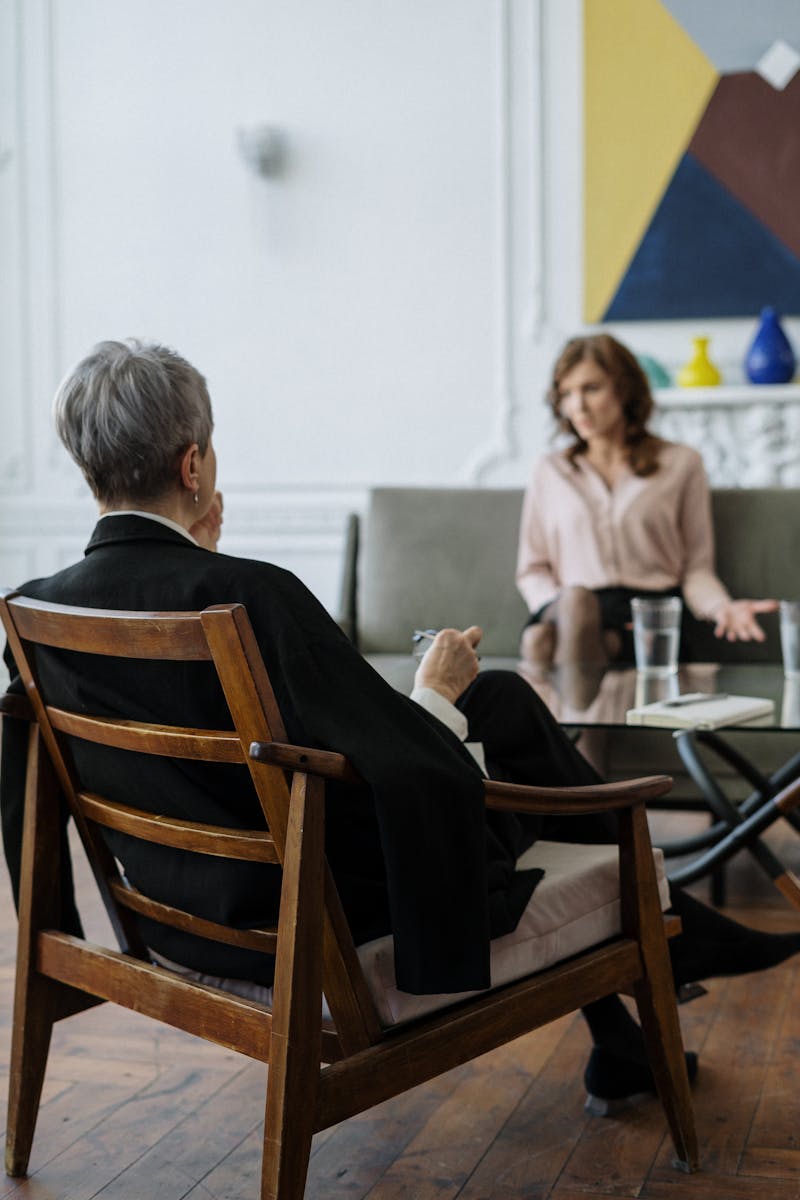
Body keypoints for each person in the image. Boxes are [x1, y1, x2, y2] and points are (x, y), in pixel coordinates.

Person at [2, 339, 798, 1115]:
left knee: (507, 703)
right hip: (319, 906)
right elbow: (402, 767)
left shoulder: (37, 611)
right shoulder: (248, 596)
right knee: (490, 713)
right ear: (193, 464)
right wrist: (437, 690)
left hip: (176, 908)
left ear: (87, 467)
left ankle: (630, 1025)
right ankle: (666, 916)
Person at [517, 333, 778, 668]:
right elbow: (532, 570)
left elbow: (697, 569)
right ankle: (576, 650)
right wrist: (566, 609)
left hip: (648, 618)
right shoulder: (549, 471)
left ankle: (564, 717)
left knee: (540, 642)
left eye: (591, 389)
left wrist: (721, 608)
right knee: (571, 611)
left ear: (624, 389)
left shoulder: (682, 464)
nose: (577, 406)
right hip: (566, 611)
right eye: (566, 393)